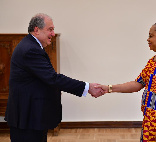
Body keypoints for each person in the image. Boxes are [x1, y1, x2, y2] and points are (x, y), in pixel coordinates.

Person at [5, 13, 104, 142]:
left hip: (31, 117)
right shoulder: (30, 50)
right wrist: (87, 87)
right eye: (50, 29)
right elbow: (53, 78)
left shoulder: (30, 45)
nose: (53, 33)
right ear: (36, 30)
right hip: (27, 119)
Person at [96, 21, 156, 142]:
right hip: (150, 118)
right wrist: (108, 88)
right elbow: (137, 84)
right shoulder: (154, 60)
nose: (148, 39)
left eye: (151, 35)